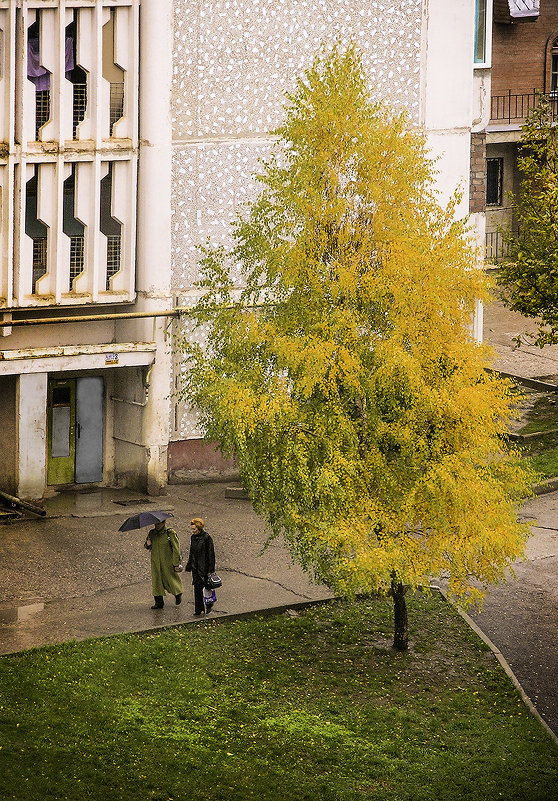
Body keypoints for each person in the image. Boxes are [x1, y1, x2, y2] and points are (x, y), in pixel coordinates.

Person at [144, 519, 183, 609]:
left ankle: (178, 593)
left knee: (171, 579)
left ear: (163, 523)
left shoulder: (170, 533)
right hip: (155, 562)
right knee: (157, 581)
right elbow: (147, 546)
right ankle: (159, 602)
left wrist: (176, 562)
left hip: (167, 561)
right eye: (155, 524)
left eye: (158, 524)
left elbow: (176, 548)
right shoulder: (152, 533)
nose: (156, 526)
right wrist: (147, 544)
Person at [185, 517, 216, 615]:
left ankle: (209, 605)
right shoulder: (193, 538)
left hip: (204, 567)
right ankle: (198, 609)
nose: (192, 531)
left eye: (194, 529)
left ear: (199, 528)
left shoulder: (206, 538)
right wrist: (189, 564)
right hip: (196, 567)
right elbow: (192, 552)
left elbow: (211, 554)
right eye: (192, 529)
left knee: (206, 587)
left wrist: (211, 569)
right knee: (197, 588)